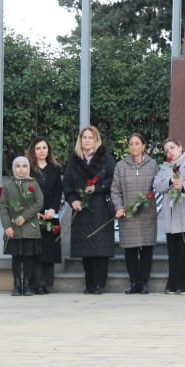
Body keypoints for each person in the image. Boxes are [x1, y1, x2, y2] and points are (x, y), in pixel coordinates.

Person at [62, 126, 117, 294]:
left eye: (90, 137)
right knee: (86, 249)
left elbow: (113, 180)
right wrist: (73, 201)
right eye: (84, 137)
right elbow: (67, 184)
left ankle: (100, 284)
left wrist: (98, 187)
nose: (87, 140)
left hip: (101, 207)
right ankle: (89, 284)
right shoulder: (74, 160)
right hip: (82, 210)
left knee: (100, 248)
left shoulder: (106, 159)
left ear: (96, 140)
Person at [153, 137, 185, 294]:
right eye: (167, 150)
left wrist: (183, 186)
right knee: (173, 253)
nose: (170, 152)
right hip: (172, 216)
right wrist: (169, 182)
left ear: (180, 147)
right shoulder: (165, 167)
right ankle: (172, 284)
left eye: (172, 148)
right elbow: (157, 184)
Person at [111, 132, 158, 294]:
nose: (134, 146)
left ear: (144, 146)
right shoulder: (121, 166)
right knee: (130, 249)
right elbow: (115, 190)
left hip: (147, 213)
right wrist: (118, 207)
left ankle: (143, 283)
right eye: (131, 144)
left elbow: (158, 186)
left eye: (137, 143)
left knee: (146, 249)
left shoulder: (152, 165)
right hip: (128, 214)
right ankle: (133, 283)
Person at [0, 156, 45, 296]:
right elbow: (3, 206)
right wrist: (7, 226)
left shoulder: (34, 183)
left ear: (29, 168)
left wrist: (24, 216)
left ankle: (26, 284)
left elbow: (39, 202)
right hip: (14, 228)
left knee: (28, 257)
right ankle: (16, 284)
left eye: (24, 166)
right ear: (13, 168)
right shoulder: (8, 185)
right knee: (16, 257)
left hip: (30, 227)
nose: (21, 169)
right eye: (18, 166)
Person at [27, 136, 64, 293]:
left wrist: (53, 209)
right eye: (38, 148)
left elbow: (58, 191)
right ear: (33, 151)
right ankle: (34, 284)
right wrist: (35, 211)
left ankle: (45, 284)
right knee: (35, 251)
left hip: (50, 215)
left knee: (49, 250)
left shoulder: (55, 169)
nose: (41, 151)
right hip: (34, 216)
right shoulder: (28, 169)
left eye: (44, 148)